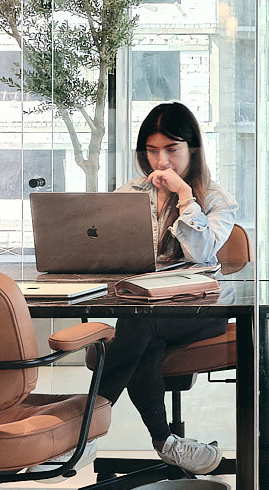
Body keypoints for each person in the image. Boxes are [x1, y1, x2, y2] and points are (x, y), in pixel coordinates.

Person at [93, 102, 237, 467]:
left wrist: (185, 196)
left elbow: (202, 252)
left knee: (139, 326)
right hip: (146, 309)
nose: (161, 162)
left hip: (201, 309)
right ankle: (167, 442)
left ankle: (85, 427)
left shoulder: (216, 200)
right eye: (153, 151)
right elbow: (106, 252)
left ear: (193, 149)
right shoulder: (129, 194)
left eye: (172, 150)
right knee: (145, 338)